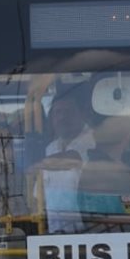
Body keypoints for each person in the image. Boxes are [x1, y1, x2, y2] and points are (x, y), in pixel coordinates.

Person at [37, 86, 95, 232]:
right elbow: (39, 195)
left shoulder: (93, 140)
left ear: (82, 114)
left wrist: (34, 165)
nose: (62, 117)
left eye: (68, 112)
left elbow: (74, 157)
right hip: (55, 232)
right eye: (58, 112)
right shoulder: (50, 148)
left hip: (89, 231)